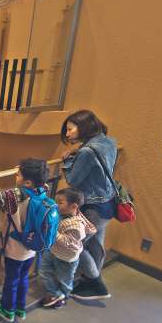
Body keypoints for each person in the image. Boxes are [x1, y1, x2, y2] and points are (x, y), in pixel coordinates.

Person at [60, 110, 117, 300]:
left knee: (76, 245)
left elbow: (73, 180)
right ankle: (89, 279)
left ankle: (96, 283)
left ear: (83, 127)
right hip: (108, 203)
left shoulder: (86, 152)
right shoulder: (108, 141)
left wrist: (68, 159)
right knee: (96, 244)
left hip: (92, 208)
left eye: (70, 129)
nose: (67, 134)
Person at [0, 158, 52, 322]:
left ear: (28, 182)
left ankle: (7, 309)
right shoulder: (43, 190)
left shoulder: (14, 197)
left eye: (18, 175)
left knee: (11, 279)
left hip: (15, 249)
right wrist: (25, 171)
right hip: (31, 248)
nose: (16, 177)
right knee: (23, 277)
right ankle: (20, 308)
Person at [39, 187, 97, 308]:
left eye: (60, 202)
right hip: (53, 250)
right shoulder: (61, 214)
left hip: (66, 258)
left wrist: (52, 231)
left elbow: (68, 241)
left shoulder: (77, 226)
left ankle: (63, 296)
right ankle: (54, 293)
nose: (56, 205)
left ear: (74, 207)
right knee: (44, 271)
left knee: (65, 279)